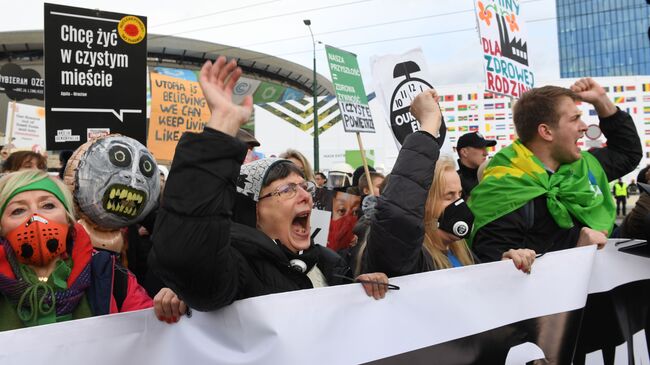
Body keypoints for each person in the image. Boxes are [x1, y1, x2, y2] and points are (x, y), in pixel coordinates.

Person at [149, 56, 391, 312]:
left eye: (303, 186)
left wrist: (362, 289)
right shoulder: (237, 271)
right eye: (287, 189)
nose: (305, 196)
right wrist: (222, 125)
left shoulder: (330, 264)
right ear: (253, 210)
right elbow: (189, 251)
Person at [362, 89, 536, 277]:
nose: (458, 203)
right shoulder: (409, 257)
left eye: (459, 194)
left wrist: (503, 267)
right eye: (448, 196)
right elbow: (399, 214)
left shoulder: (460, 251)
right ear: (423, 203)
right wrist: (429, 121)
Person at [470, 78, 642, 262]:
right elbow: (495, 275)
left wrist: (601, 100)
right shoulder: (504, 189)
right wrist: (579, 252)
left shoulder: (583, 166)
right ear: (546, 132)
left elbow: (627, 152)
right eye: (575, 118)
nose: (584, 126)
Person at [0, 170, 155, 331]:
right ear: (2, 227)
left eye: (48, 205)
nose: (35, 217)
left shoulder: (107, 273)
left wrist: (171, 305)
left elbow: (150, 329)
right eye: (18, 210)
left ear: (68, 218)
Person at [456, 132, 496, 198]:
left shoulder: (491, 177)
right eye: (480, 148)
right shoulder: (454, 182)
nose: (486, 153)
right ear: (464, 152)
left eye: (485, 148)